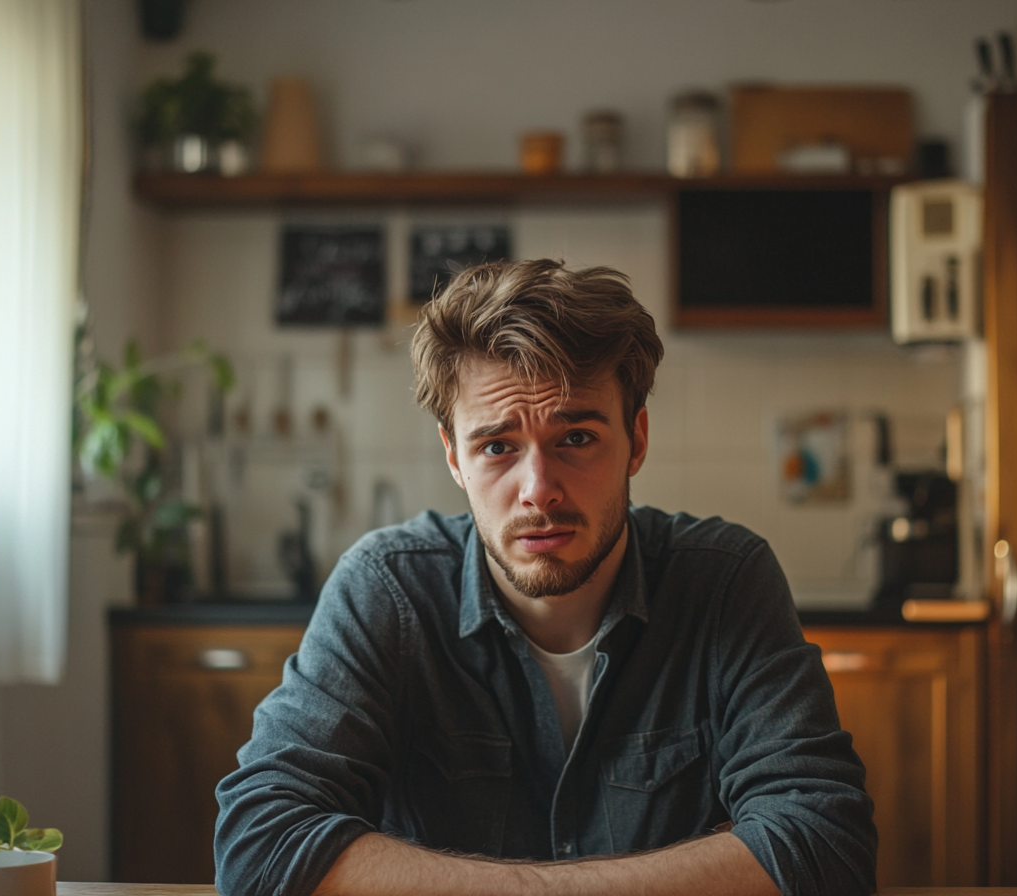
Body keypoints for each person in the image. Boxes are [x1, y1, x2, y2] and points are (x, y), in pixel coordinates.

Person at [215, 259, 877, 896]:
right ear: (454, 456)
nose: (539, 490)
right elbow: (260, 845)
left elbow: (824, 845)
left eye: (577, 438)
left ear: (636, 439)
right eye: (497, 446)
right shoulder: (388, 589)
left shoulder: (724, 581)